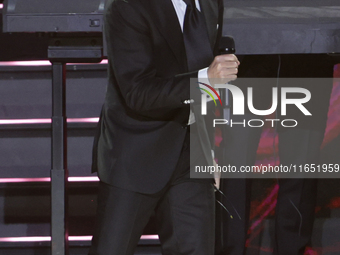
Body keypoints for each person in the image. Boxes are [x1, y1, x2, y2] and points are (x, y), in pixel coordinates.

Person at [89, 0, 239, 254]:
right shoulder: (129, 6)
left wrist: (211, 148)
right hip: (136, 153)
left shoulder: (210, 3)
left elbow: (210, 80)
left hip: (192, 153)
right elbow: (137, 92)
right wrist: (205, 79)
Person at [216, 54, 334, 255]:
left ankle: (292, 249)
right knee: (235, 165)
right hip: (246, 56)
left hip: (308, 56)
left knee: (301, 167)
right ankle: (228, 248)